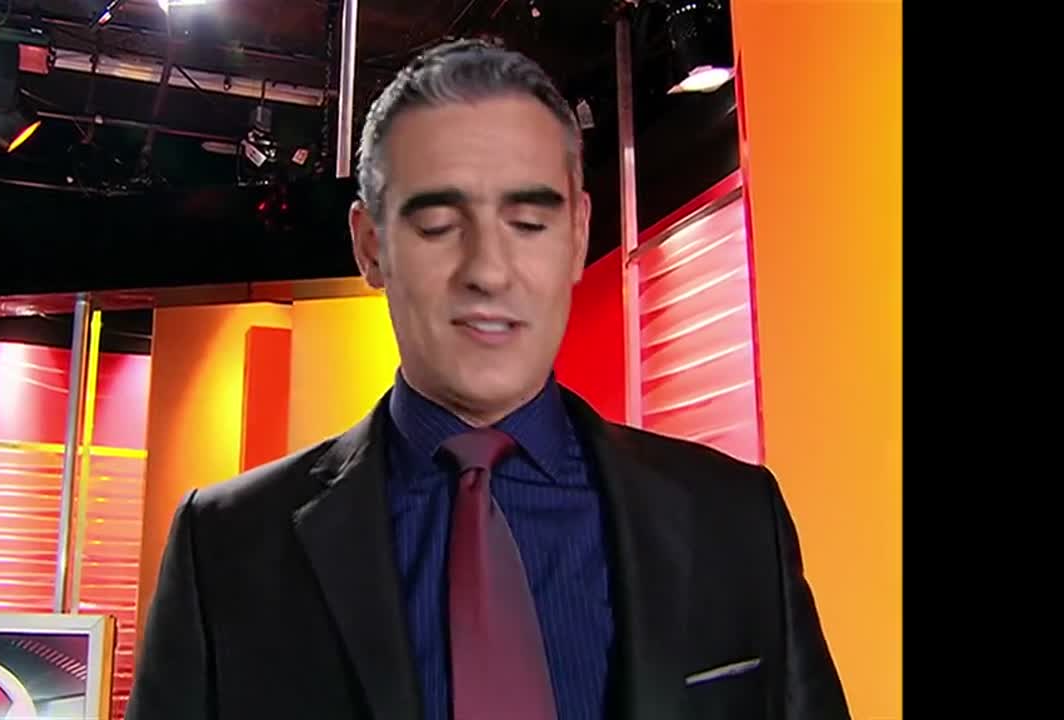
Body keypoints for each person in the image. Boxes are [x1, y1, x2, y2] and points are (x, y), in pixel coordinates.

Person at [125, 38, 850, 720]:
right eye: (439, 226)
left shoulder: (735, 519)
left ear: (578, 235)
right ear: (371, 246)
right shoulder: (224, 547)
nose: (488, 272)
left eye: (529, 223)